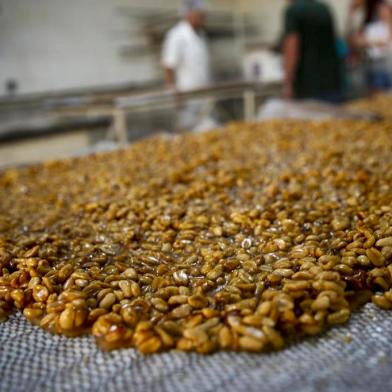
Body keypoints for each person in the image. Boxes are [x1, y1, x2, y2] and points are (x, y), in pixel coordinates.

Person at [282, 0, 342, 102]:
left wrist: (288, 82)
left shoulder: (292, 11)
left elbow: (292, 47)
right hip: (332, 80)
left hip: (307, 84)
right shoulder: (324, 9)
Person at [349, 0, 392, 92]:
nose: (383, 12)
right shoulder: (374, 28)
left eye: (385, 9)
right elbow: (356, 40)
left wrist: (371, 42)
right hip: (375, 65)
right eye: (380, 10)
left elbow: (386, 41)